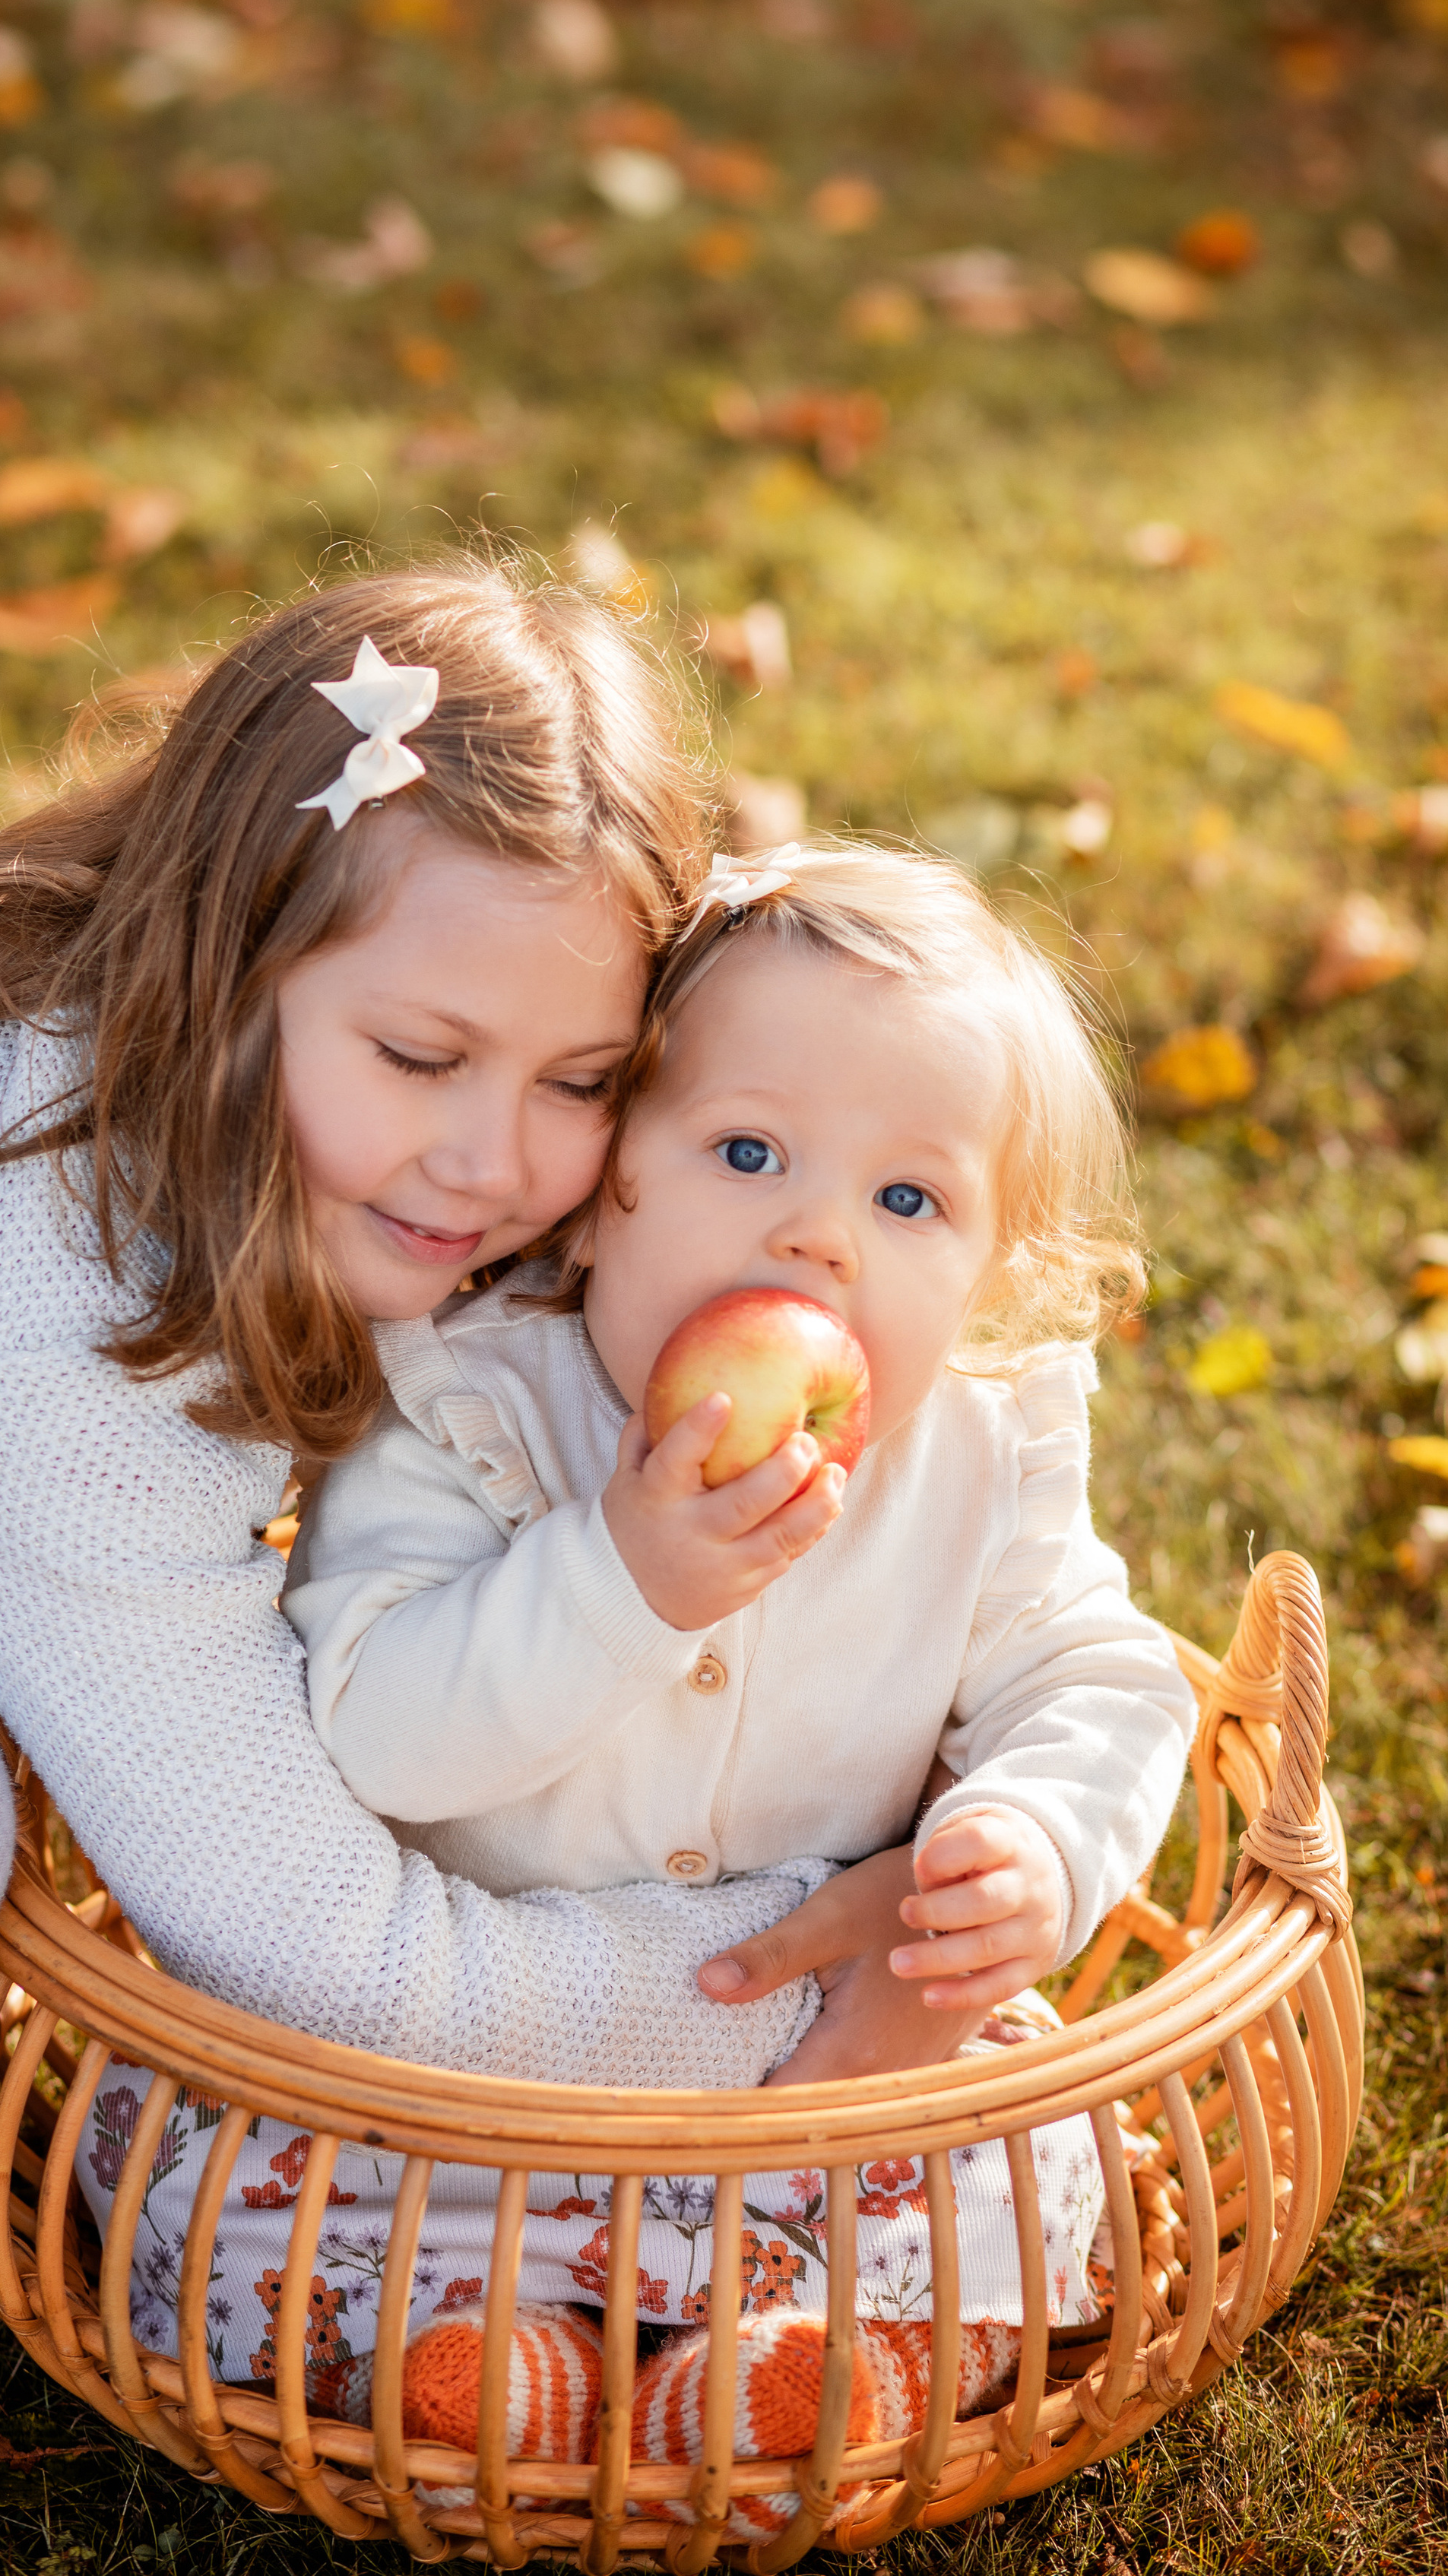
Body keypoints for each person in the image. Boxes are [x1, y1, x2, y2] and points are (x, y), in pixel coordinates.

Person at [0, 566, 897, 2230]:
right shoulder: (42, 1326)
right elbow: (317, 1950)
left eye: (578, 1082)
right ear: (225, 960)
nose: (494, 1163)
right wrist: (791, 1977)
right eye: (420, 1061)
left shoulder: (201, 1060)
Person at [80, 840, 1196, 2475]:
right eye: (746, 1151)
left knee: (1013, 2185)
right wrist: (616, 1576)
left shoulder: (973, 1450)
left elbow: (1097, 1674)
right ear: (602, 1196)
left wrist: (1033, 1834)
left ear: (984, 1277)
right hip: (465, 2073)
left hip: (806, 2050)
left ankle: (768, 2375)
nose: (819, 1239)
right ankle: (500, 2367)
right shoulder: (467, 1405)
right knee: (293, 2214)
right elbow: (374, 1735)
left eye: (907, 1200)